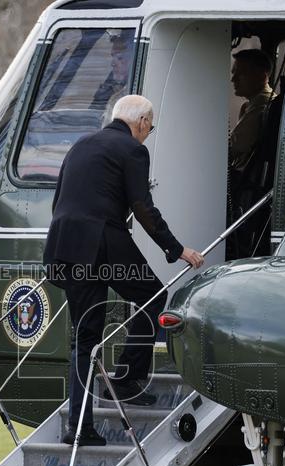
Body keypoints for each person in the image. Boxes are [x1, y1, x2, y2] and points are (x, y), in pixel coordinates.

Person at [43, 95, 204, 447]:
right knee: (154, 296)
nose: (148, 132)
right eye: (150, 127)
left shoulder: (81, 145)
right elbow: (142, 208)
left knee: (84, 338)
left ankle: (79, 428)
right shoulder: (132, 149)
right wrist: (177, 249)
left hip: (66, 245)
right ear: (142, 122)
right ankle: (127, 379)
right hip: (103, 241)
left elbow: (60, 202)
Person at [229, 49, 276, 173]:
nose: (233, 79)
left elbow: (232, 148)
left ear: (262, 76)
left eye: (241, 73)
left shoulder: (262, 103)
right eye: (234, 73)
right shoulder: (251, 104)